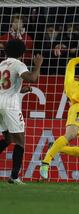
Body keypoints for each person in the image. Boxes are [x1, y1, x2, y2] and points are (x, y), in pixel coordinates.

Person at [0, 39, 43, 184]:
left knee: (8, 139)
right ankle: (14, 177)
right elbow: (32, 78)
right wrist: (37, 66)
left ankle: (14, 176)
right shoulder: (19, 64)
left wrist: (20, 90)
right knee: (20, 142)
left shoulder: (2, 64)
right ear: (22, 53)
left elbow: (5, 86)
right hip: (10, 106)